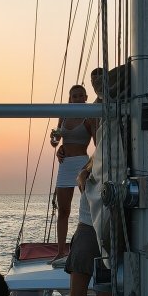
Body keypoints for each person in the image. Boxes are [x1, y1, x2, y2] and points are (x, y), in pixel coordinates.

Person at [54, 159, 114, 296]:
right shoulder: (91, 165)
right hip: (90, 231)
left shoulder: (120, 161)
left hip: (106, 234)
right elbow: (81, 180)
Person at [50, 83, 97, 263]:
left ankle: (92, 246)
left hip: (81, 164)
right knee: (63, 210)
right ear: (70, 99)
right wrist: (56, 144)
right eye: (74, 96)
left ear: (86, 97)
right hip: (65, 165)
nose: (77, 98)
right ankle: (60, 252)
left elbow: (97, 143)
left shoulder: (89, 116)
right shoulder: (64, 114)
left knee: (89, 208)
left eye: (80, 95)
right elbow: (56, 141)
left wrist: (92, 165)